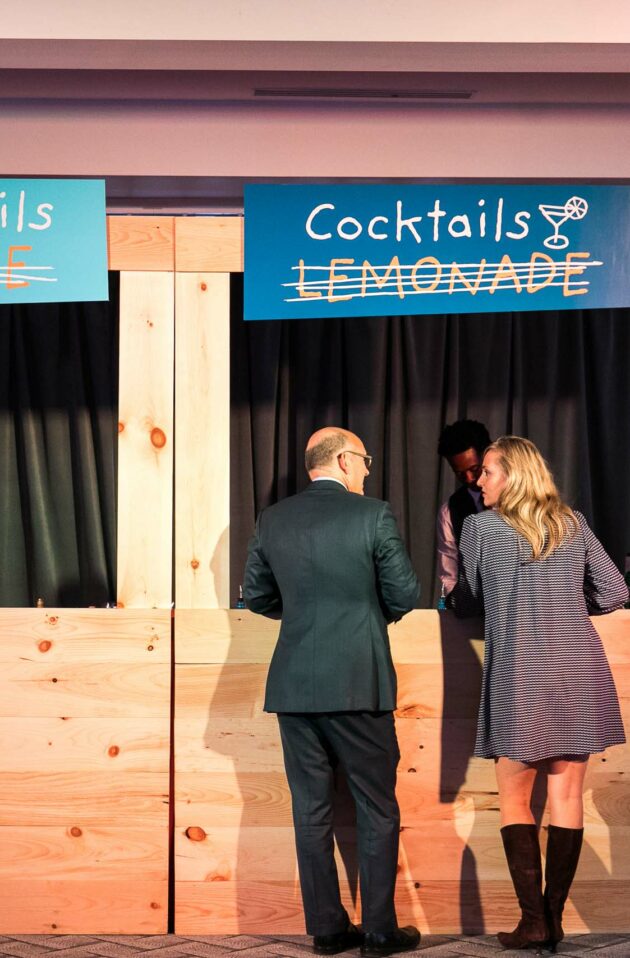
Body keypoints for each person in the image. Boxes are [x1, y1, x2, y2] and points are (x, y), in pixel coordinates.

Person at [244, 427, 421, 958]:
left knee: (310, 811)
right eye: (364, 459)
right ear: (344, 460)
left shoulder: (273, 519)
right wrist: (367, 617)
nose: (368, 469)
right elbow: (407, 593)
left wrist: (302, 616)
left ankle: (324, 929)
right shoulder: (373, 514)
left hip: (294, 687)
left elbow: (256, 596)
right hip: (358, 683)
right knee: (377, 807)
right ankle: (381, 932)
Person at [450, 436, 628, 952]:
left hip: (519, 672)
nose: (477, 481)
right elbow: (615, 591)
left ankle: (534, 922)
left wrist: (457, 597)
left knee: (514, 797)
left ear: (512, 475)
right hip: (579, 670)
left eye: (486, 471)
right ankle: (553, 922)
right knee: (566, 797)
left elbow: (469, 599)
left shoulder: (479, 528)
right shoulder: (571, 524)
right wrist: (568, 611)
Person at [436, 419, 491, 595]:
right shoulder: (450, 511)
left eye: (475, 470)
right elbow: (449, 575)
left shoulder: (519, 500)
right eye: (460, 473)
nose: (469, 479)